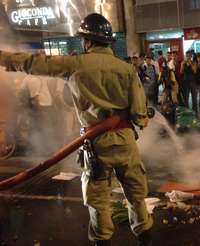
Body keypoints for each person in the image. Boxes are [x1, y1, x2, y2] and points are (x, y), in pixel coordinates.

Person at [0, 13, 153, 246]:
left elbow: (33, 64)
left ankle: (102, 241)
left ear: (87, 41)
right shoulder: (126, 69)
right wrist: (141, 120)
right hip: (125, 142)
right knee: (136, 195)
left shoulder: (74, 64)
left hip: (97, 144)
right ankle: (145, 238)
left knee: (98, 200)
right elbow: (139, 114)